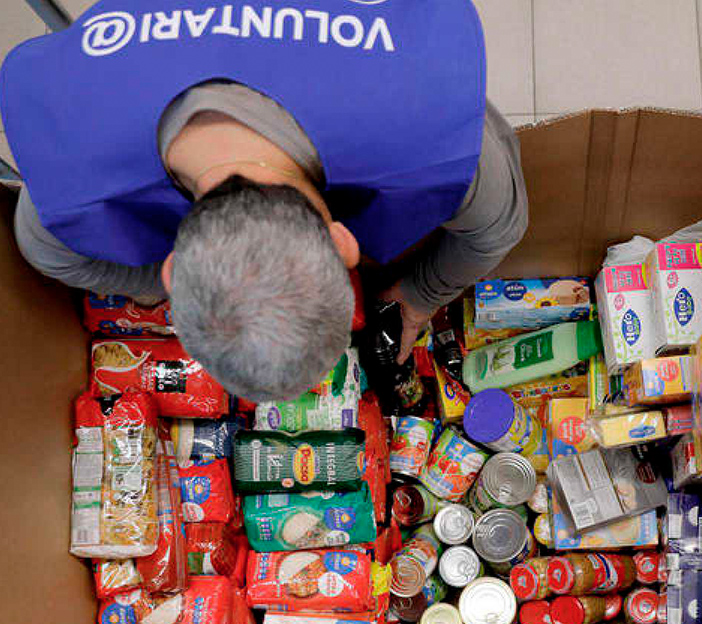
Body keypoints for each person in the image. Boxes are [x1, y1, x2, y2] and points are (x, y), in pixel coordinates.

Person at [1, 1, 528, 401]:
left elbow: (500, 224)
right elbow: (43, 248)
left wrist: (419, 297)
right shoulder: (73, 179)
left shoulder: (427, 131)